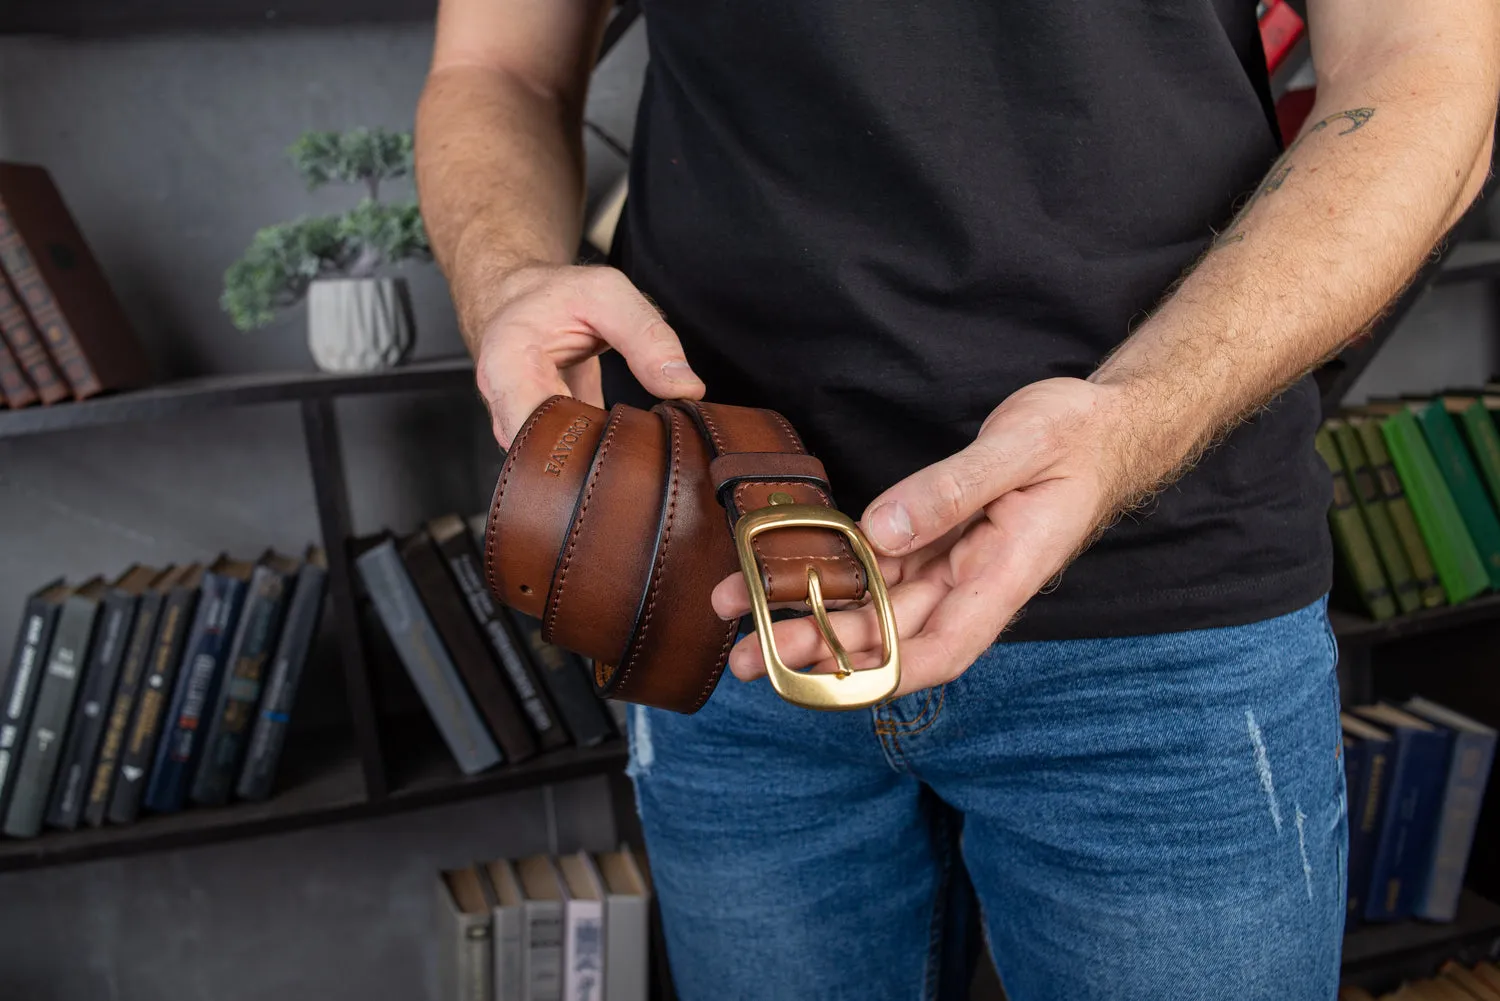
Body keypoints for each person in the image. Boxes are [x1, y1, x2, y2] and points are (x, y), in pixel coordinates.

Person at [414, 1, 1499, 997]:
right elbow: (501, 67)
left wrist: (1135, 418)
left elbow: (1425, 72)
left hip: (1167, 616)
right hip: (724, 592)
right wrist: (509, 275)